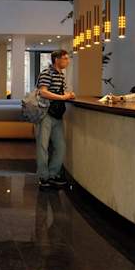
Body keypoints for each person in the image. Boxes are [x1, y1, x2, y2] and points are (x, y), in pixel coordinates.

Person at [36, 49, 75, 190]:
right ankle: (43, 177)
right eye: (65, 58)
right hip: (45, 114)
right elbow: (43, 91)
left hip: (57, 115)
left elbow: (60, 92)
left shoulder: (61, 75)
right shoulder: (47, 73)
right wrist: (63, 97)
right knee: (43, 146)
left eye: (67, 58)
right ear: (56, 59)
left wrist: (68, 94)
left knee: (60, 146)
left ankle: (52, 174)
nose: (67, 61)